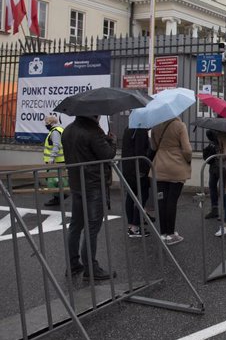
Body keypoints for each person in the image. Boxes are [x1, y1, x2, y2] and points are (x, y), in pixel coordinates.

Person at [62, 115, 117, 280]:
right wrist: (112, 141)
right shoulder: (93, 131)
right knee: (92, 228)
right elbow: (107, 154)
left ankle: (73, 265)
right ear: (94, 114)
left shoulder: (68, 130)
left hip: (76, 184)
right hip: (93, 184)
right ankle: (91, 268)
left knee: (75, 226)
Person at [150, 116, 192, 245]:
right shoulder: (180, 126)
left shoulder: (155, 126)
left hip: (160, 167)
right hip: (176, 166)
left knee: (161, 200)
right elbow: (187, 150)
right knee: (172, 201)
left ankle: (163, 233)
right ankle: (171, 233)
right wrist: (188, 160)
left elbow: (153, 146)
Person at [121, 127, 151, 238]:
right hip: (137, 169)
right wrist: (143, 170)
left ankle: (130, 226)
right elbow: (140, 152)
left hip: (127, 167)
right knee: (143, 196)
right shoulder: (140, 130)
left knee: (130, 196)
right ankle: (135, 227)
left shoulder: (128, 129)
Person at [43, 115, 67, 207]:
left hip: (56, 161)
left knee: (51, 181)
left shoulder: (55, 132)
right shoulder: (60, 130)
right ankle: (60, 197)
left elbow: (56, 145)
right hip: (60, 160)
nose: (45, 124)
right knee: (59, 180)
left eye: (46, 122)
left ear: (50, 122)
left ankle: (59, 197)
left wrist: (51, 158)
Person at [203, 130, 224, 220]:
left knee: (223, 189)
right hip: (214, 165)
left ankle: (224, 212)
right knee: (212, 187)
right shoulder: (214, 131)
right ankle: (214, 210)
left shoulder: (224, 131)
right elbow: (208, 133)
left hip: (222, 165)